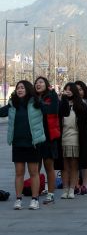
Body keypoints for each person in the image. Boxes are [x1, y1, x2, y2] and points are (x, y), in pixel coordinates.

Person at [1, 81, 46, 210]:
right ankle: (18, 199)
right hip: (17, 143)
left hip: (33, 143)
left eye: (22, 88)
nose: (19, 90)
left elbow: (52, 109)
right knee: (19, 173)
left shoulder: (36, 103)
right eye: (17, 88)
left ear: (28, 89)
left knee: (34, 173)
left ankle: (34, 199)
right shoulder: (12, 104)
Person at [34, 76, 62, 205]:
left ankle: (50, 193)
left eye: (41, 82)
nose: (38, 84)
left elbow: (50, 110)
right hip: (35, 137)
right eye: (36, 83)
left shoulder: (52, 96)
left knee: (49, 166)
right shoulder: (32, 98)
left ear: (46, 84)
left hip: (48, 137)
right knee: (35, 168)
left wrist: (39, 103)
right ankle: (36, 193)